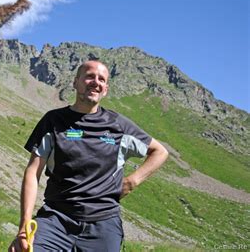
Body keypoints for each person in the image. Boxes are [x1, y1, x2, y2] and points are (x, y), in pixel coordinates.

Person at [9, 60, 169, 252]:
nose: (96, 82)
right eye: (90, 76)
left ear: (106, 89)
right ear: (75, 82)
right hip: (56, 219)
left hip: (103, 225)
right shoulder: (53, 120)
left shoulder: (118, 125)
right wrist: (24, 226)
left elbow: (160, 152)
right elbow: (33, 172)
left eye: (101, 79)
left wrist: (131, 182)